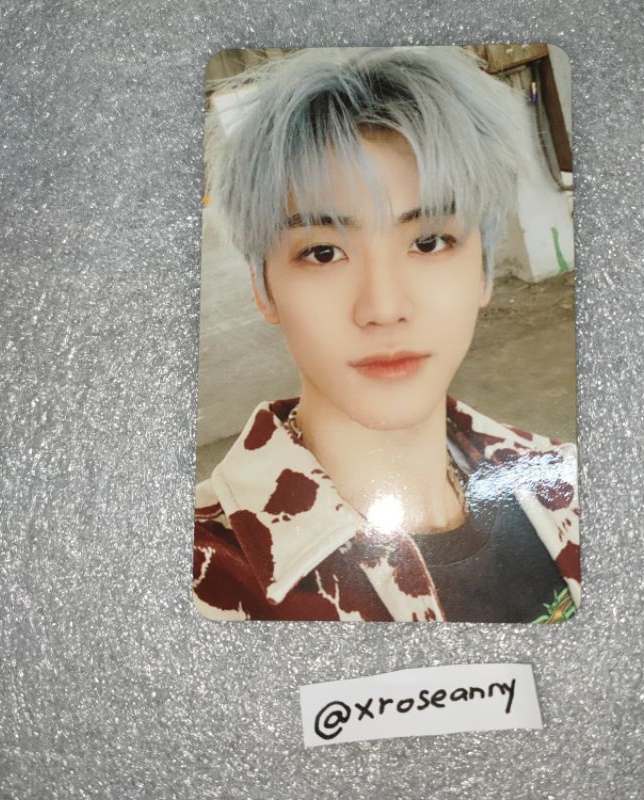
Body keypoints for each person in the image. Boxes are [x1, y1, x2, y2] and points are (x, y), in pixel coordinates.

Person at [193, 46, 580, 623]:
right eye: (323, 253)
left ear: (482, 271)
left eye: (429, 242)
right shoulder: (199, 577)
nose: (383, 308)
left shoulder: (567, 481)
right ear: (263, 289)